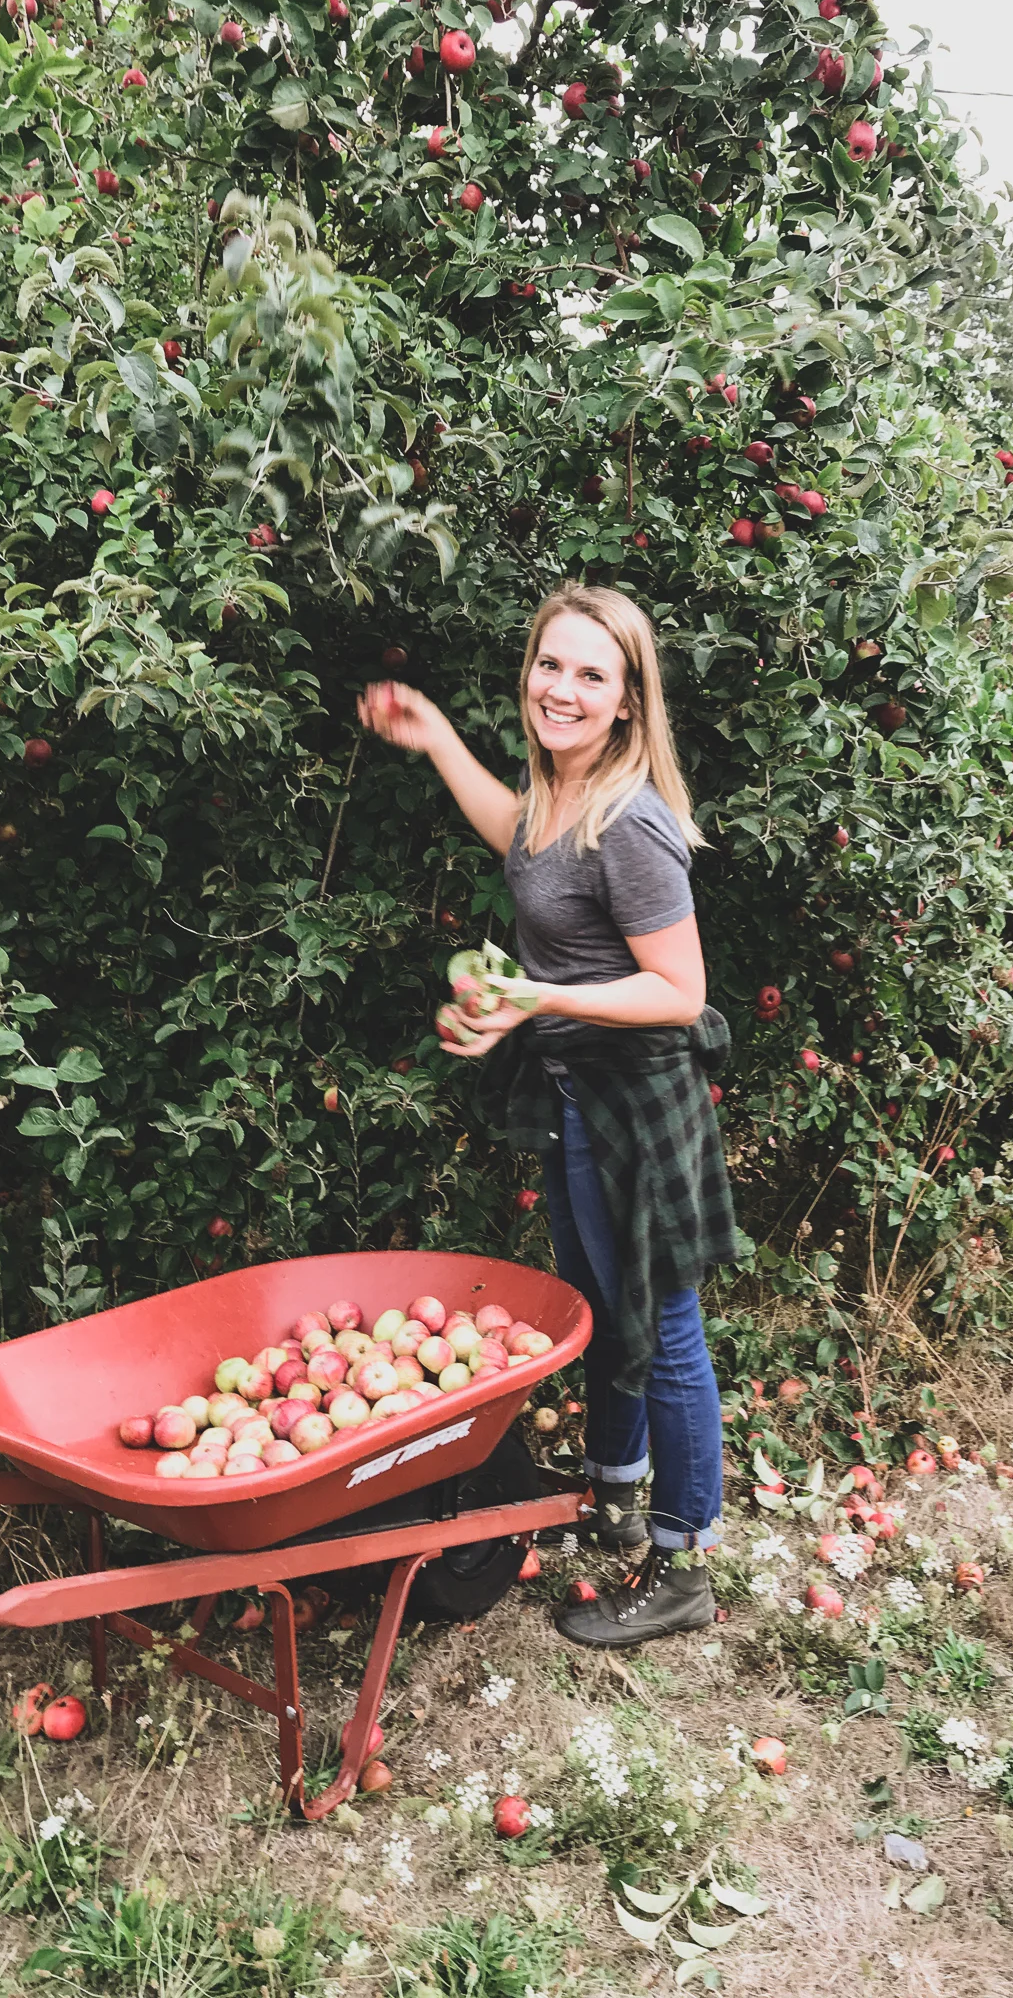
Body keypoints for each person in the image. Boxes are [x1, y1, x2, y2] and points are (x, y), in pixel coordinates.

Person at [357, 583, 740, 1647]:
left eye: (591, 674)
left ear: (627, 700)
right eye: (550, 665)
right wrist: (435, 735)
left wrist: (534, 997)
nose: (562, 689)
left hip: (640, 1099)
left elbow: (679, 988)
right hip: (579, 1091)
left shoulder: (631, 823)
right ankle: (614, 1496)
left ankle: (682, 1559)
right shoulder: (557, 798)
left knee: (663, 1328)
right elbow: (514, 840)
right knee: (601, 1307)